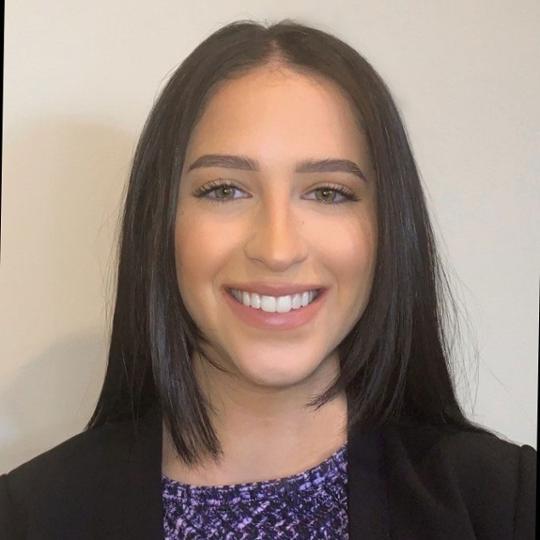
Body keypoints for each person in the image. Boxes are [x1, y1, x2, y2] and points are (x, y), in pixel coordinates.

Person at [0, 19, 536, 540]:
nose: (277, 250)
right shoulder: (28, 517)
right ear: (159, 223)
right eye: (225, 190)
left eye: (328, 192)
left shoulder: (506, 504)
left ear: (388, 229)